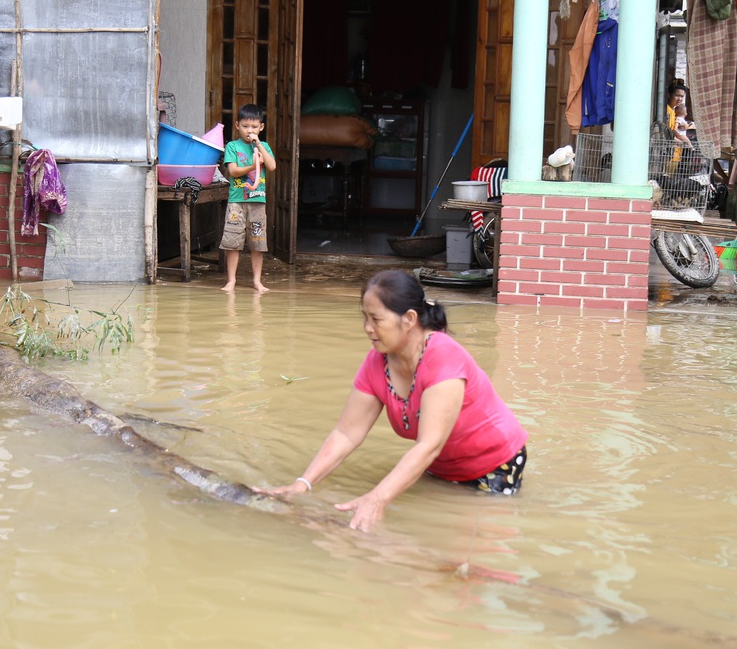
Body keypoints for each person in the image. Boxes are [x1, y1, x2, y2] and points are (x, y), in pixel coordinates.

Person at [255, 269, 529, 532]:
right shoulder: (377, 361)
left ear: (409, 319)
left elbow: (429, 445)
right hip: (441, 467)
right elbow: (346, 433)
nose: (367, 328)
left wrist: (377, 498)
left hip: (495, 464)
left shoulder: (443, 357)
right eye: (364, 318)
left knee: (463, 547)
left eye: (376, 319)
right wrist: (302, 484)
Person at [220, 104, 276, 293]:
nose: (249, 130)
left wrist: (259, 145)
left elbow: (272, 166)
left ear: (261, 127)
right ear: (237, 125)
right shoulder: (232, 146)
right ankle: (231, 280)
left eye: (253, 127)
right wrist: (252, 167)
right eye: (245, 126)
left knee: (257, 242)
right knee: (232, 241)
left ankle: (257, 281)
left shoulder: (264, 146)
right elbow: (233, 171)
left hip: (257, 202)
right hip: (236, 202)